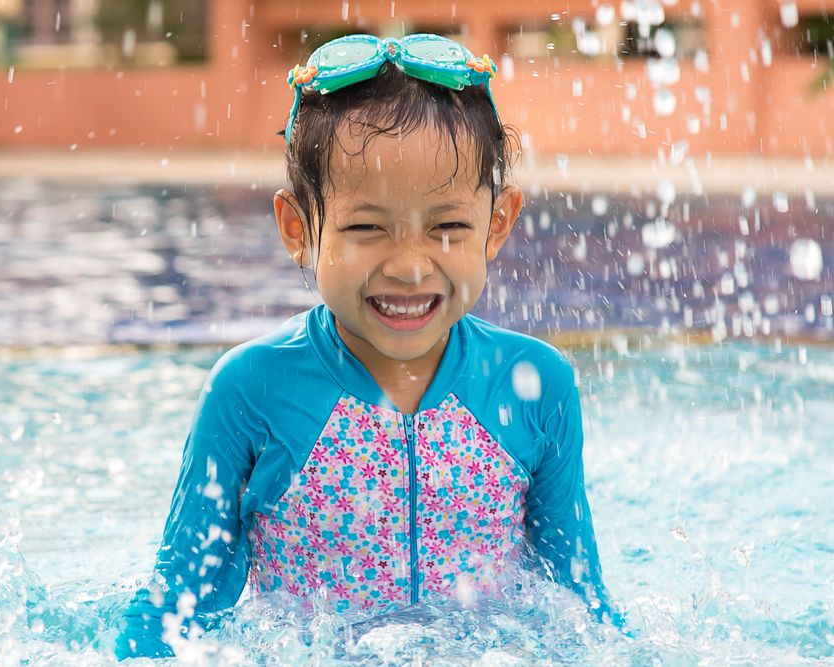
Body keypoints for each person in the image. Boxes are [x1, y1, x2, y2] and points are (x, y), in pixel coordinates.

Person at [116, 33, 623, 660]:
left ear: (497, 224)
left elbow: (580, 607)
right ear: (298, 230)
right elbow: (176, 609)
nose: (410, 267)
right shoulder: (252, 389)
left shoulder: (535, 384)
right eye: (366, 228)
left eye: (447, 227)